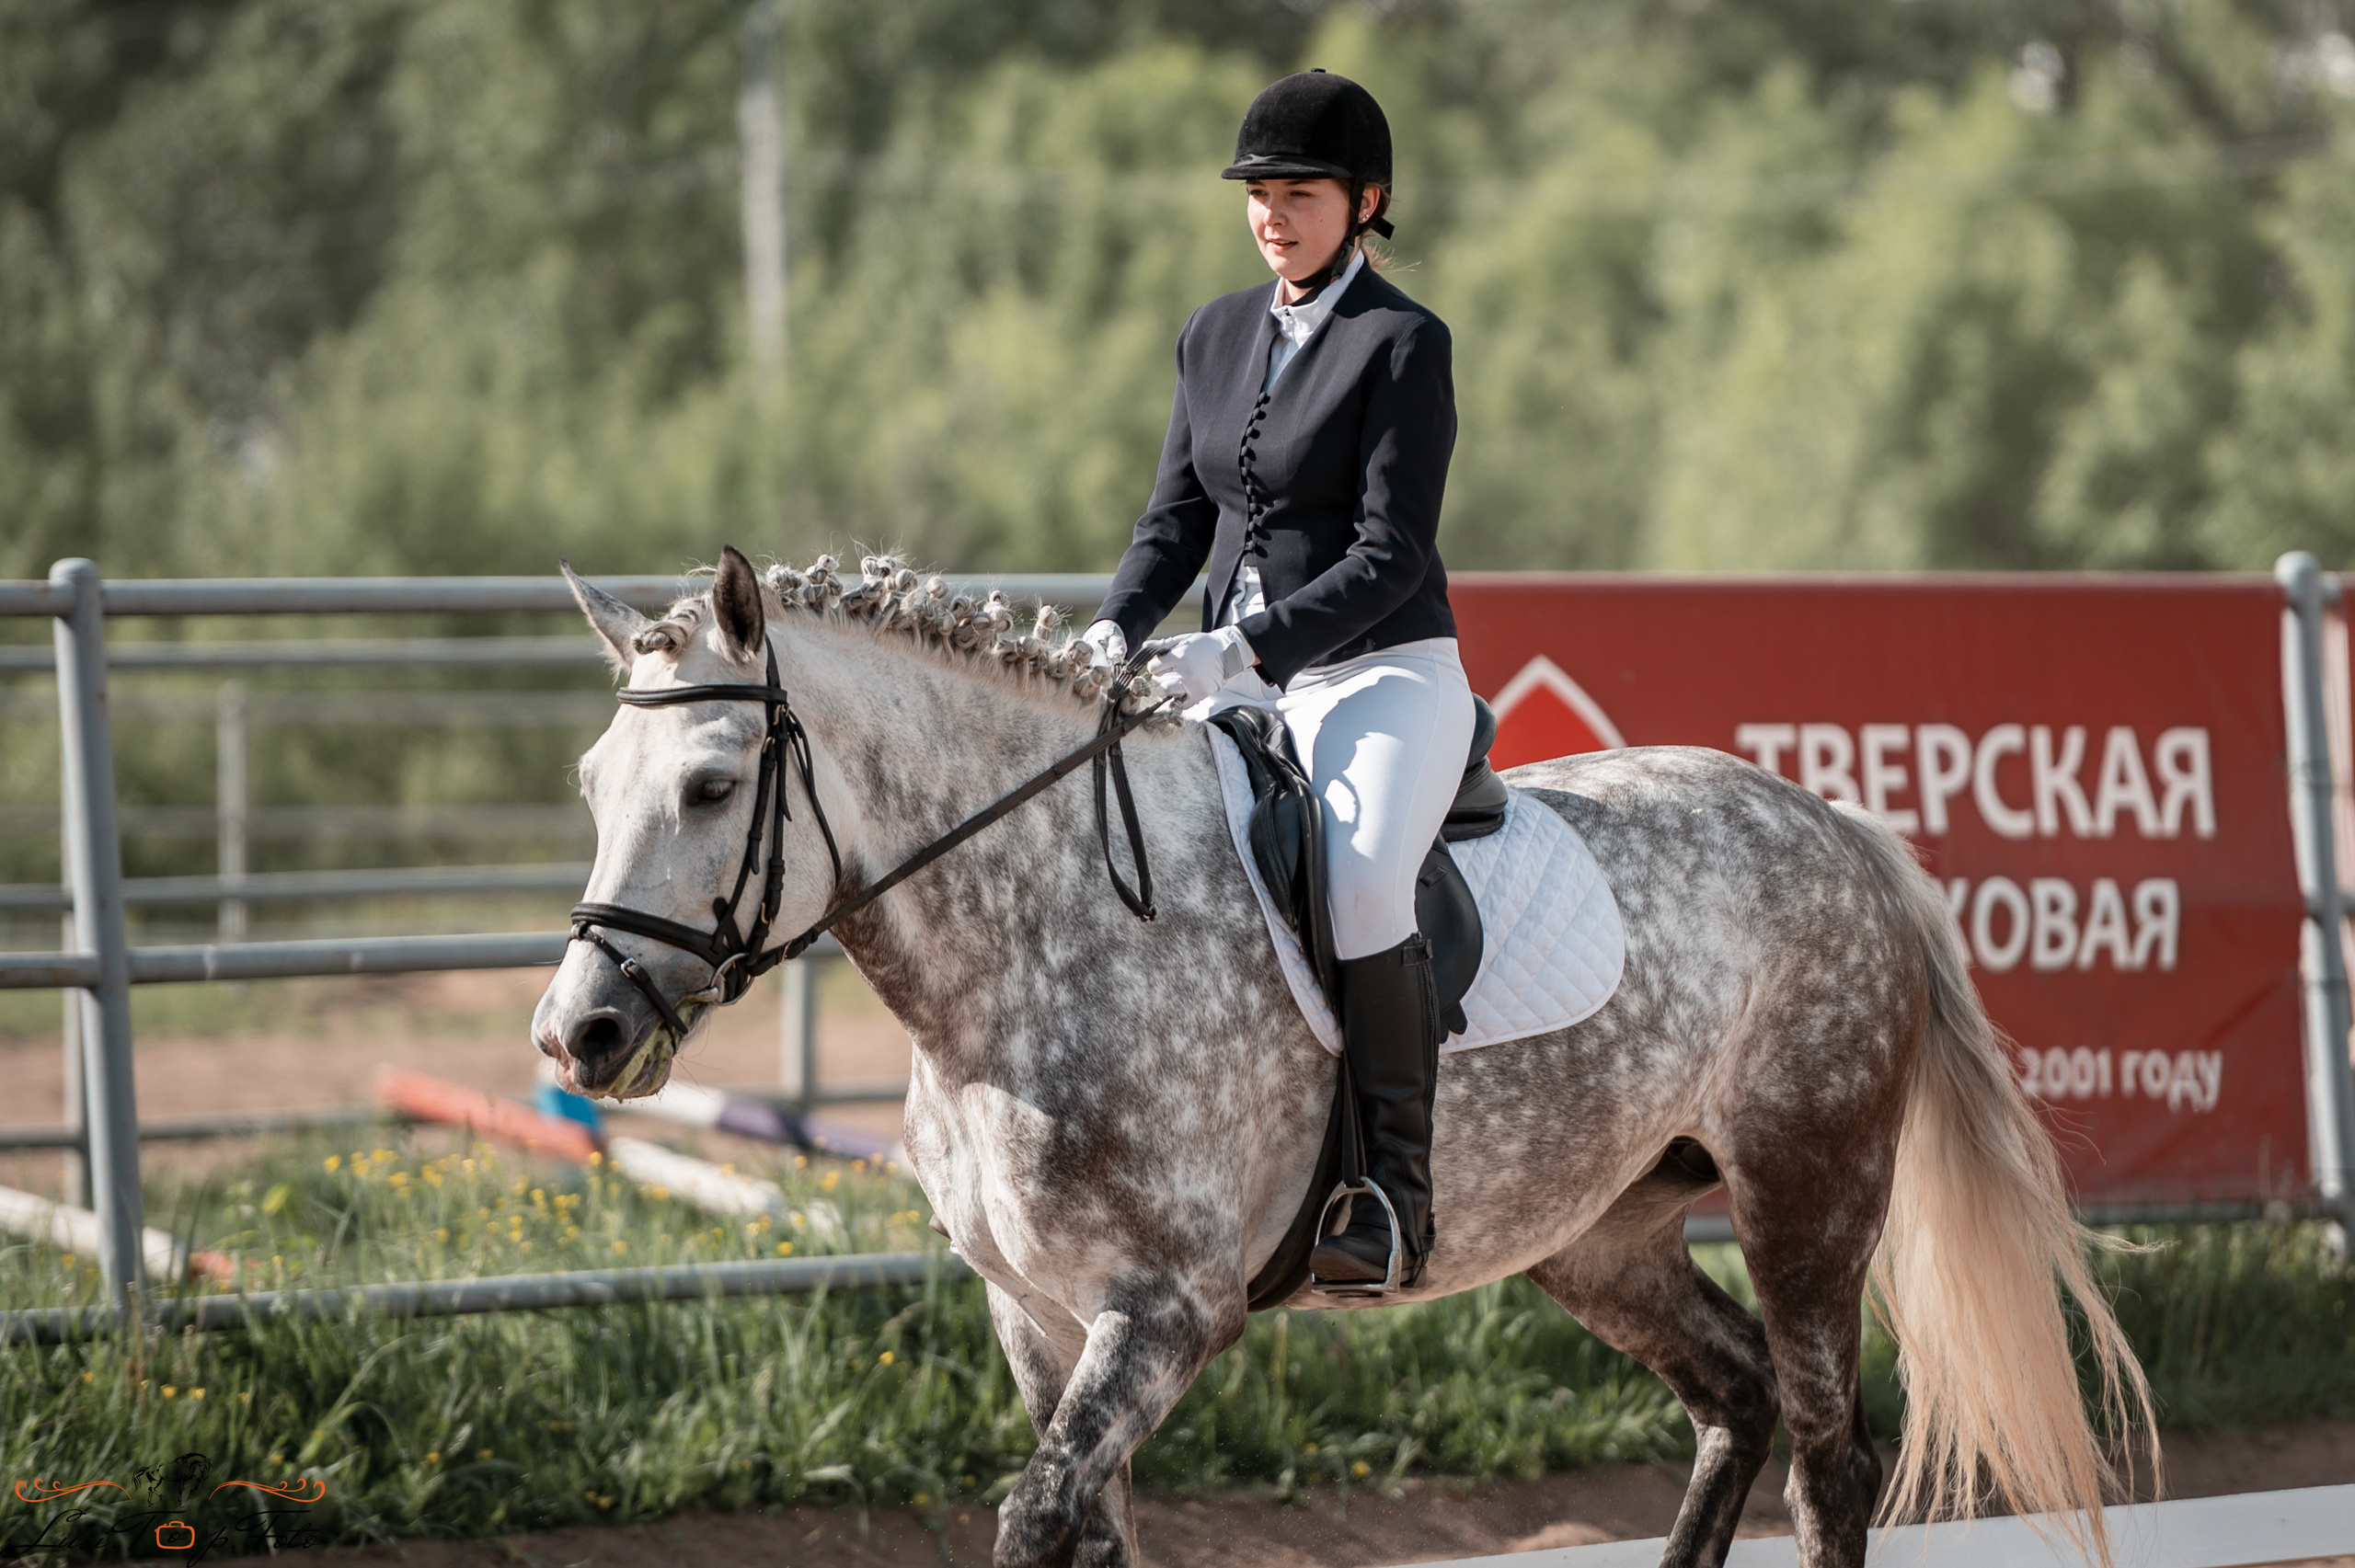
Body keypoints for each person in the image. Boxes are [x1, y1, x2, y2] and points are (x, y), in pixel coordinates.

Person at [1083, 69, 1472, 1292]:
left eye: (1298, 194)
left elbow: (1390, 550)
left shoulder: (1402, 343)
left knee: (1358, 877)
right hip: (1229, 680)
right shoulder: (1211, 334)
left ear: (1367, 201)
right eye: (1258, 194)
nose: (1272, 215)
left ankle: (1395, 1196)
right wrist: (1112, 630)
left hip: (1382, 676)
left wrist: (1246, 651)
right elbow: (1172, 525)